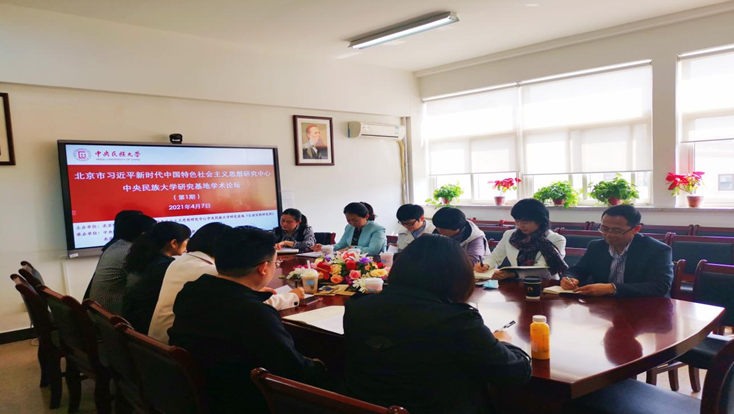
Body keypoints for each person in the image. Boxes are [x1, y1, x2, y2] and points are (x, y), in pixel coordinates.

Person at [343, 235, 532, 414]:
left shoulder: (358, 306)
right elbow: (515, 373)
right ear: (459, 276)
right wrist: (503, 342)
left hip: (363, 406)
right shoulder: (456, 320)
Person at [168, 226, 326, 414]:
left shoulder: (191, 291)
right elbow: (293, 371)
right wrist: (321, 365)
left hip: (194, 391)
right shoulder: (254, 313)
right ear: (263, 268)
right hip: (240, 399)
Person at [148, 222, 305, 344]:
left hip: (165, 346)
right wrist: (292, 296)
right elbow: (250, 305)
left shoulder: (182, 261)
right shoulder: (209, 271)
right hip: (178, 347)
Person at [560, 205, 673, 298]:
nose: (609, 234)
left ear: (636, 229)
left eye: (617, 230)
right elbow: (577, 270)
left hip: (646, 307)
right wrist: (569, 278)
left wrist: (612, 288)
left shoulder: (657, 250)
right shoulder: (596, 246)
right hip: (605, 306)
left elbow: (660, 286)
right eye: (604, 229)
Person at [122, 221, 191, 334]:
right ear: (174, 243)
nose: (188, 244)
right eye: (187, 240)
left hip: (133, 320)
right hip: (146, 325)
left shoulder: (145, 258)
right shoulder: (165, 266)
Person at [475, 199, 567, 280]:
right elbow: (495, 256)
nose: (520, 226)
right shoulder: (510, 235)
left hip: (545, 284)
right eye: (517, 221)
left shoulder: (556, 239)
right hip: (515, 283)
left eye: (525, 222)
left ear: (540, 221)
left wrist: (513, 274)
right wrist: (486, 265)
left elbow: (543, 269)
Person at [88, 212, 156, 313]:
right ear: (144, 235)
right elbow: (142, 287)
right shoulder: (130, 252)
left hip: (99, 314)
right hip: (112, 316)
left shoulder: (115, 245)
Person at [313, 202, 386, 255]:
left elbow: (373, 251)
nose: (352, 223)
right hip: (350, 259)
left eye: (355, 220)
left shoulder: (377, 229)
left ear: (366, 216)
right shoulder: (349, 227)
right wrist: (324, 247)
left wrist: (351, 249)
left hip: (372, 262)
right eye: (348, 220)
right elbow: (341, 245)